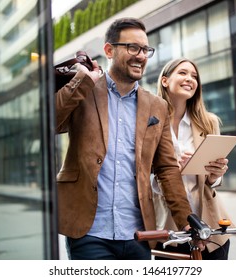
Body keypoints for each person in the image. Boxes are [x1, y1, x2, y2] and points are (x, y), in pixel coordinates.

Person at [55, 18, 192, 260]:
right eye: (133, 48)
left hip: (138, 233)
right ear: (109, 50)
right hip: (89, 233)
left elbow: (168, 168)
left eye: (145, 49)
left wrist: (186, 220)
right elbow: (51, 122)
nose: (141, 56)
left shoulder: (157, 106)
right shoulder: (84, 90)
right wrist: (84, 79)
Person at [152, 58, 232, 260]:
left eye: (194, 76)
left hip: (210, 226)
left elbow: (212, 183)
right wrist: (171, 169)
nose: (190, 79)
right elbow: (141, 175)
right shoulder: (150, 122)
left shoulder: (208, 122)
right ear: (164, 81)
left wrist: (215, 174)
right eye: (183, 73)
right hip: (169, 227)